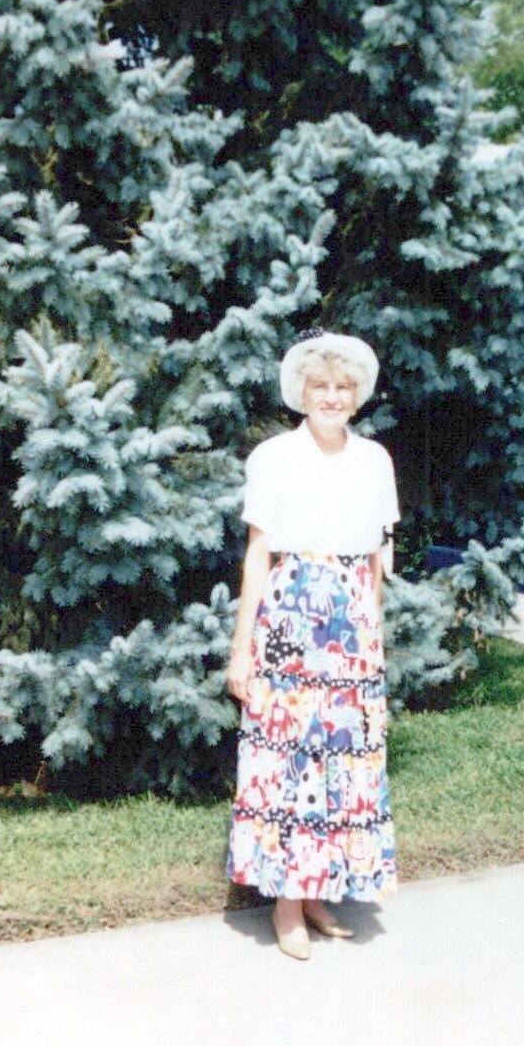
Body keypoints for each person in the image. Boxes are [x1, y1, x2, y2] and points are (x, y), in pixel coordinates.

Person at [225, 329, 400, 960]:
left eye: (343, 387)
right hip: (291, 619)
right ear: (301, 392)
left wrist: (373, 644)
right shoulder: (274, 457)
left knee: (344, 758)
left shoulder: (374, 460)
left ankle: (321, 888)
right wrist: (242, 649)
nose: (331, 397)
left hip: (352, 623)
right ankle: (287, 904)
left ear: (357, 395)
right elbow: (258, 554)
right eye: (320, 386)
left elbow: (378, 558)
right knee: (291, 756)